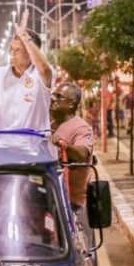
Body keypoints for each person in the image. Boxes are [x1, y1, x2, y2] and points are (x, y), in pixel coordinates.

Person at [0, 10, 55, 132]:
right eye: (10, 49)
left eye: (17, 50)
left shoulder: (40, 75)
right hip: (2, 145)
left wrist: (25, 37)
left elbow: (44, 68)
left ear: (30, 54)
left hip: (34, 146)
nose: (11, 53)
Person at [47, 82, 95, 246]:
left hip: (70, 203)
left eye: (59, 97)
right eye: (54, 95)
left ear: (71, 104)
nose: (53, 99)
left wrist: (63, 144)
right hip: (49, 198)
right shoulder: (51, 125)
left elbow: (82, 154)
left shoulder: (81, 128)